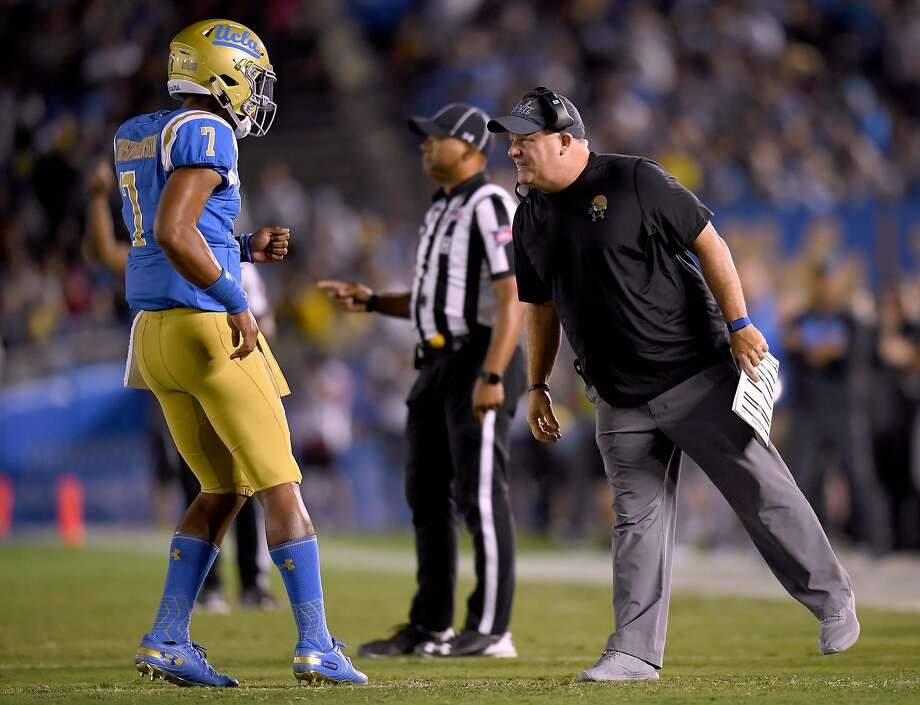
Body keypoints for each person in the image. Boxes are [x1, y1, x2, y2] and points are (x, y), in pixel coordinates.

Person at [487, 87, 859, 681]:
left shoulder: (637, 181)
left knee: (760, 492)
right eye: (510, 142)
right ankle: (634, 652)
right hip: (616, 394)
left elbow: (710, 242)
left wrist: (739, 325)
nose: (514, 152)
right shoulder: (529, 213)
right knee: (636, 522)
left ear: (566, 141)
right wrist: (536, 384)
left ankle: (833, 599)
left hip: (696, 374)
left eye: (524, 141)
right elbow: (539, 306)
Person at [113, 19, 366, 687]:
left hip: (154, 334)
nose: (254, 93)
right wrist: (236, 296)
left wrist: (245, 246)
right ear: (223, 73)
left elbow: (165, 229)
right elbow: (174, 229)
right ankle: (316, 642)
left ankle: (168, 635)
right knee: (283, 487)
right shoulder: (209, 129)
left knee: (223, 488)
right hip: (205, 327)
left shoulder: (141, 130)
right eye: (250, 78)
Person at [319, 103, 525, 658]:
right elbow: (433, 299)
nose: (425, 146)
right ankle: (431, 625)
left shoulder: (490, 203)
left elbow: (512, 300)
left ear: (469, 147)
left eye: (436, 138)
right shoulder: (439, 209)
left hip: (478, 357)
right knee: (427, 496)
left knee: (480, 492)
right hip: (434, 364)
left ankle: (491, 628)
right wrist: (373, 301)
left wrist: (494, 373)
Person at [86, 160, 281, 612]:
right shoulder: (177, 250)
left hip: (201, 367)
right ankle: (222, 593)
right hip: (200, 371)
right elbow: (109, 252)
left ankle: (241, 588)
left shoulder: (220, 256)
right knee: (227, 483)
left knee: (239, 484)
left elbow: (264, 322)